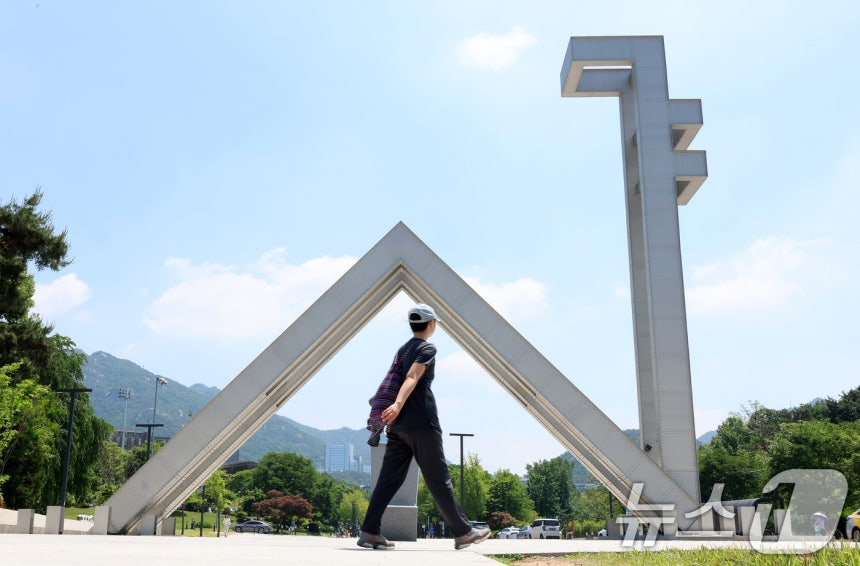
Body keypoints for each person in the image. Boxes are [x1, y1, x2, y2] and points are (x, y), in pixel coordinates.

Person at [357, 304, 491, 551]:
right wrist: (397, 404)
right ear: (431, 324)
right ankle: (463, 532)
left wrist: (395, 411)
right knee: (438, 478)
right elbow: (412, 377)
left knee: (388, 480)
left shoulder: (402, 349)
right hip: (421, 422)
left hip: (397, 427)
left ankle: (369, 531)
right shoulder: (427, 347)